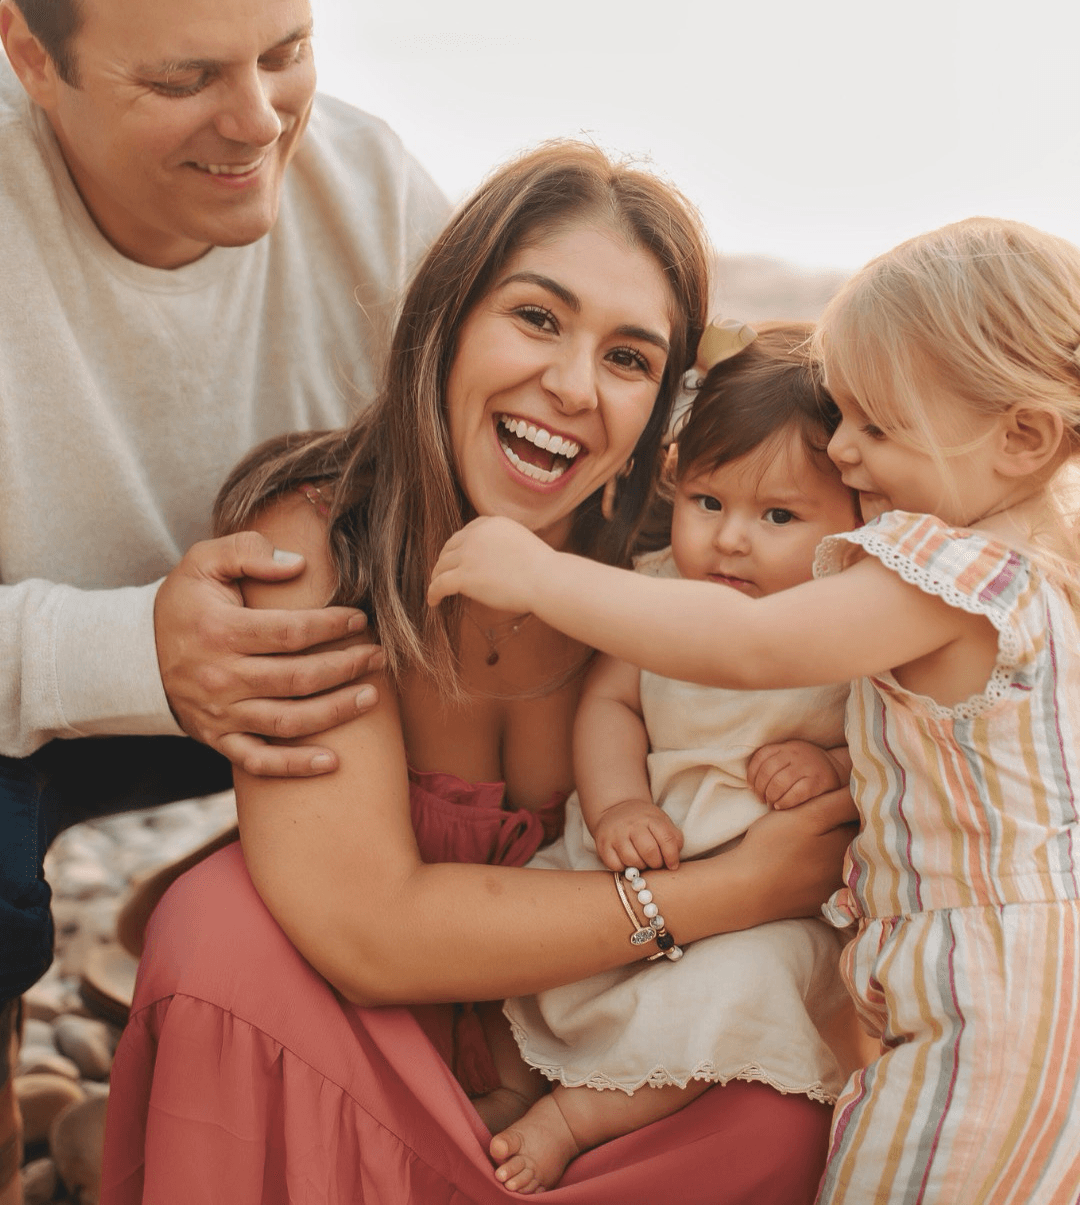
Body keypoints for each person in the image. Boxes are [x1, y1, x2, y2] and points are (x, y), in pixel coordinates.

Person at [102, 142, 856, 1205]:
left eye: (629, 358)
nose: (571, 386)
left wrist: (809, 764)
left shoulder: (670, 561)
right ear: (447, 318)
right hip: (361, 1018)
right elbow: (368, 928)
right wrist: (731, 888)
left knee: (778, 1097)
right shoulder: (321, 542)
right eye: (538, 318)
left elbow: (837, 674)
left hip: (588, 1044)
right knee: (218, 936)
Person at [429, 215, 1080, 1203]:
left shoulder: (949, 569)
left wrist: (542, 576)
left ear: (1021, 436)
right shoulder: (1044, 572)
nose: (846, 454)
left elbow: (751, 645)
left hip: (985, 971)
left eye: (877, 426)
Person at [0, 0, 446, 1195]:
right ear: (28, 50)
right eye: (183, 78)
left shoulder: (369, 189)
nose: (257, 121)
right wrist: (134, 648)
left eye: (287, 52)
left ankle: (180, 976)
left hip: (299, 692)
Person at [476, 321, 859, 1194]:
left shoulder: (846, 626)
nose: (730, 540)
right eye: (709, 503)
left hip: (760, 906)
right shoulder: (653, 596)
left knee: (744, 991)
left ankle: (574, 1117)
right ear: (676, 483)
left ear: (853, 522)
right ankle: (511, 1079)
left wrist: (830, 763)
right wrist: (617, 806)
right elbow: (611, 704)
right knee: (530, 937)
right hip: (638, 850)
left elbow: (884, 746)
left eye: (779, 517)